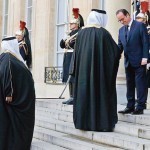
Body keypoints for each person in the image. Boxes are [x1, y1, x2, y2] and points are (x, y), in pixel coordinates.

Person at [72, 9, 120, 131]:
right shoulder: (103, 33)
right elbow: (114, 53)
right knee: (99, 95)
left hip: (83, 74)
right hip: (99, 76)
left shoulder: (81, 34)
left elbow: (75, 55)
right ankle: (100, 123)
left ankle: (83, 122)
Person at [0, 36, 35, 150]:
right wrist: (9, 92)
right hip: (14, 99)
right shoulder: (9, 58)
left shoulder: (8, 57)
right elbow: (7, 72)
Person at [116, 9, 149, 115]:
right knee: (129, 84)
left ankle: (140, 106)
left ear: (128, 15)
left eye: (122, 19)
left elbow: (145, 42)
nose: (121, 22)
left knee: (140, 84)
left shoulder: (139, 26)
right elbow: (119, 47)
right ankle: (130, 106)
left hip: (140, 61)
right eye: (119, 20)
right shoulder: (121, 30)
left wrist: (145, 57)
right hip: (128, 62)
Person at [60, 8, 84, 105]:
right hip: (67, 56)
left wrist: (68, 40)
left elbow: (74, 45)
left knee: (73, 77)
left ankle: (74, 97)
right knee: (68, 77)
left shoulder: (79, 33)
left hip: (73, 56)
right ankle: (71, 96)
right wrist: (64, 38)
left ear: (77, 24)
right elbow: (62, 45)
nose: (70, 25)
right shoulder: (69, 34)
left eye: (72, 23)